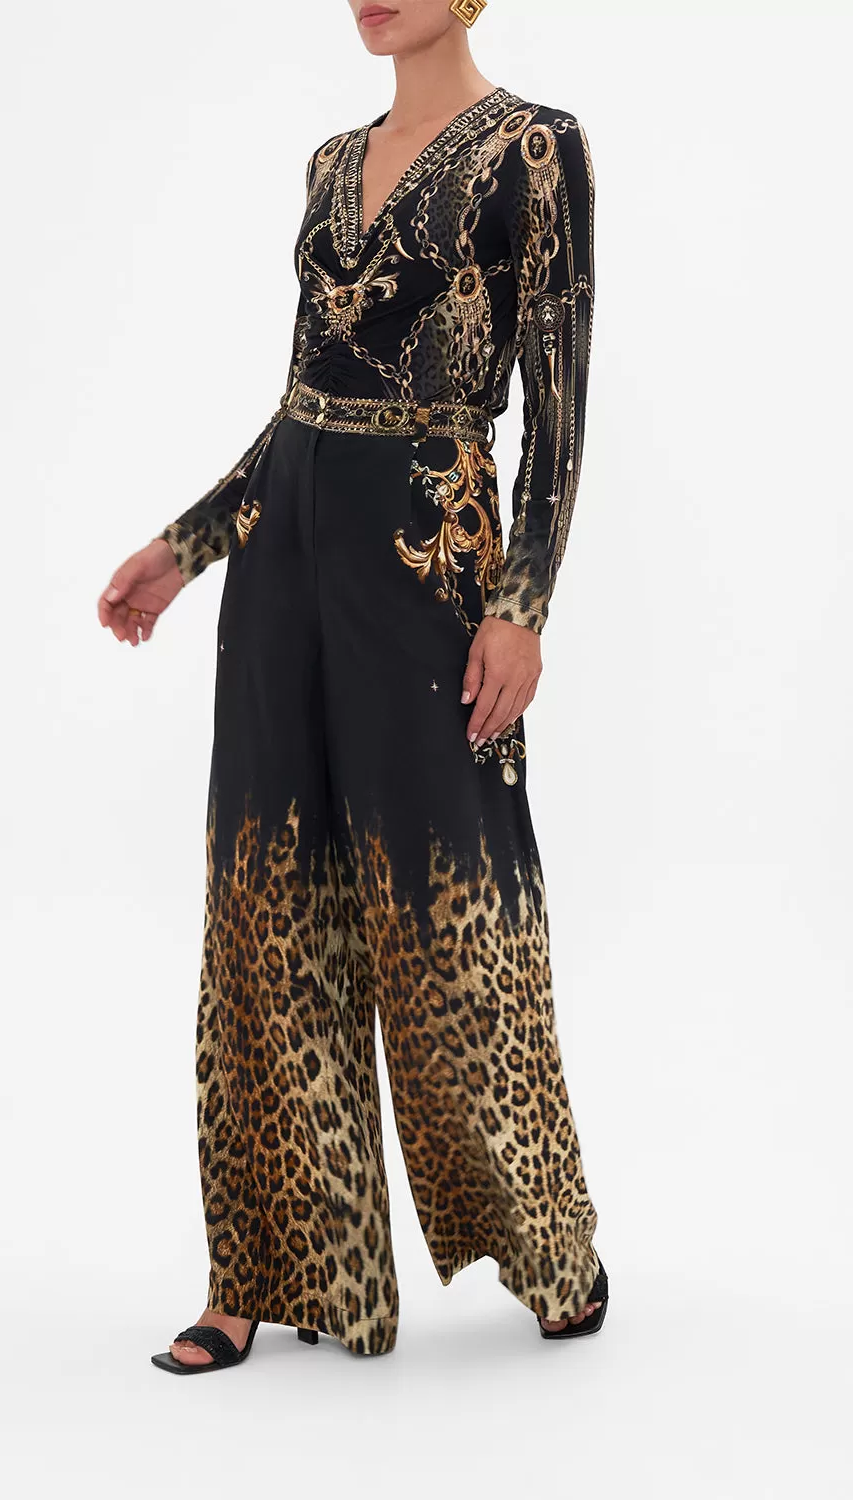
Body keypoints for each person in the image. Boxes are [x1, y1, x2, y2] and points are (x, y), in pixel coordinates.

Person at [98, 0, 606, 1373]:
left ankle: (550, 1245)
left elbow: (558, 409)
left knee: (454, 907)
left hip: (430, 557)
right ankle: (265, 1269)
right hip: (284, 563)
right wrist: (188, 545)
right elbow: (299, 403)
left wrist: (522, 605)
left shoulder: (535, 149)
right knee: (267, 904)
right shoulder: (331, 162)